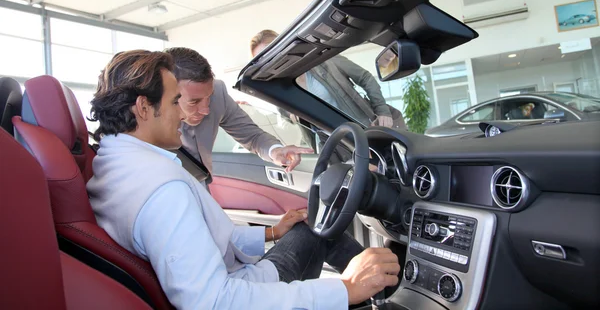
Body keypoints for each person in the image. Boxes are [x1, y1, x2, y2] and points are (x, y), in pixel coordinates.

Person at [86, 50, 401, 309]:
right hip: (243, 289)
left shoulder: (112, 164)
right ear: (143, 107)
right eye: (175, 102)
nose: (183, 114)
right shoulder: (162, 189)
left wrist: (272, 232)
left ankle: (382, 288)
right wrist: (343, 290)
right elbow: (214, 302)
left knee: (314, 226)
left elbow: (203, 237)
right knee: (325, 234)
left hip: (239, 277)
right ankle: (388, 292)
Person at [164, 47, 312, 175]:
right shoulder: (147, 118)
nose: (205, 110)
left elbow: (252, 136)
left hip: (202, 187)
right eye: (193, 102)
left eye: (208, 97)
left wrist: (275, 151)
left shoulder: (218, 93)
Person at [250, 30, 406, 129]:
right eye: (262, 59)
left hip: (365, 129)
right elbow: (287, 117)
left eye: (269, 54)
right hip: (337, 149)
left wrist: (382, 110)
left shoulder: (323, 61)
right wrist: (290, 115)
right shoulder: (280, 91)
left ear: (282, 48)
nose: (268, 61)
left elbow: (365, 77)